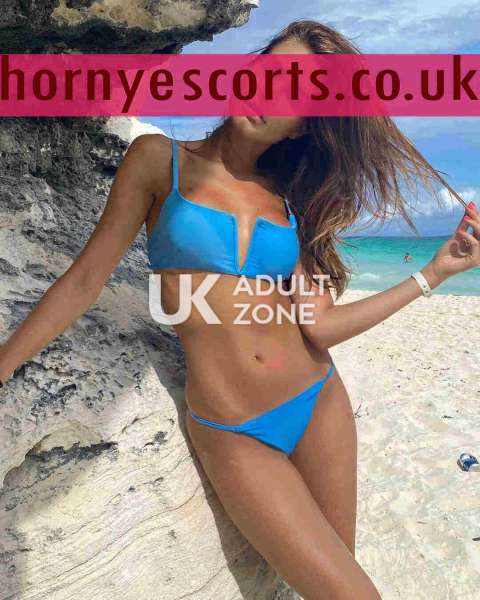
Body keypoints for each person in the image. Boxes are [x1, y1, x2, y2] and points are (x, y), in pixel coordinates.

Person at [1, 19, 479, 600]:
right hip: (234, 430)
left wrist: (435, 273)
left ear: (304, 126)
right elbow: (83, 281)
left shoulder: (290, 203)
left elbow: (320, 327)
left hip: (320, 402)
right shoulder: (158, 160)